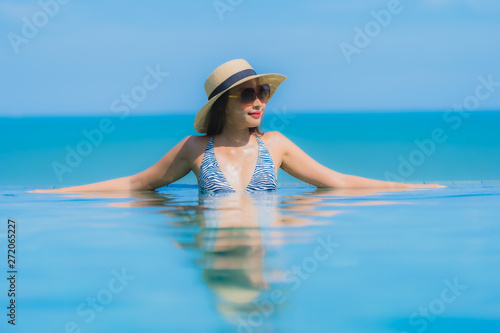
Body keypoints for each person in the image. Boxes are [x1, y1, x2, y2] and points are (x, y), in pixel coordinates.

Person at [29, 59, 443, 193]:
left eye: (261, 92)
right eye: (247, 95)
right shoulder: (194, 150)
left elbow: (337, 182)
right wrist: (57, 193)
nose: (259, 101)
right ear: (222, 106)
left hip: (266, 243)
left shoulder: (276, 145)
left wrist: (411, 188)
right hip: (215, 252)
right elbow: (136, 185)